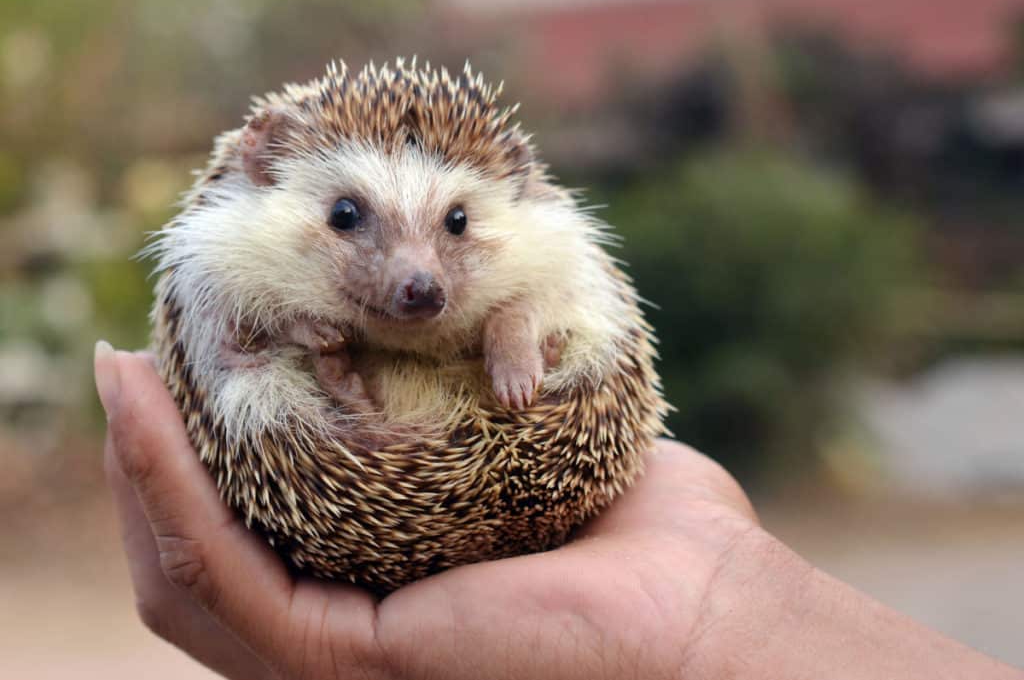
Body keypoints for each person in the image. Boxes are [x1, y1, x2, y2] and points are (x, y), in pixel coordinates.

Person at [95, 342, 1022, 680]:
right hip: (340, 432)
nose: (414, 277)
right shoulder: (222, 267)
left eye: (455, 225)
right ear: (264, 170)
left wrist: (717, 624)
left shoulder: (536, 252)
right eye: (348, 220)